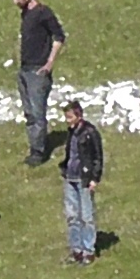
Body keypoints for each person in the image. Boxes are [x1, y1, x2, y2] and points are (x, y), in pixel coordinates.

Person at [12, 0, 65, 164]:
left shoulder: (43, 13)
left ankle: (39, 151)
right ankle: (34, 146)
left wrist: (50, 62)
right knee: (29, 113)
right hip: (25, 69)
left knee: (37, 112)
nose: (15, 1)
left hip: (38, 70)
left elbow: (59, 36)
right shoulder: (25, 14)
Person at [59, 99, 104, 264]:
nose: (67, 121)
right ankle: (76, 249)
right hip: (70, 177)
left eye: (70, 117)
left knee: (86, 216)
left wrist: (94, 178)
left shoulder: (90, 132)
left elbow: (97, 157)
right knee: (72, 216)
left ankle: (88, 250)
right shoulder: (71, 132)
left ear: (79, 116)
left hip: (84, 179)